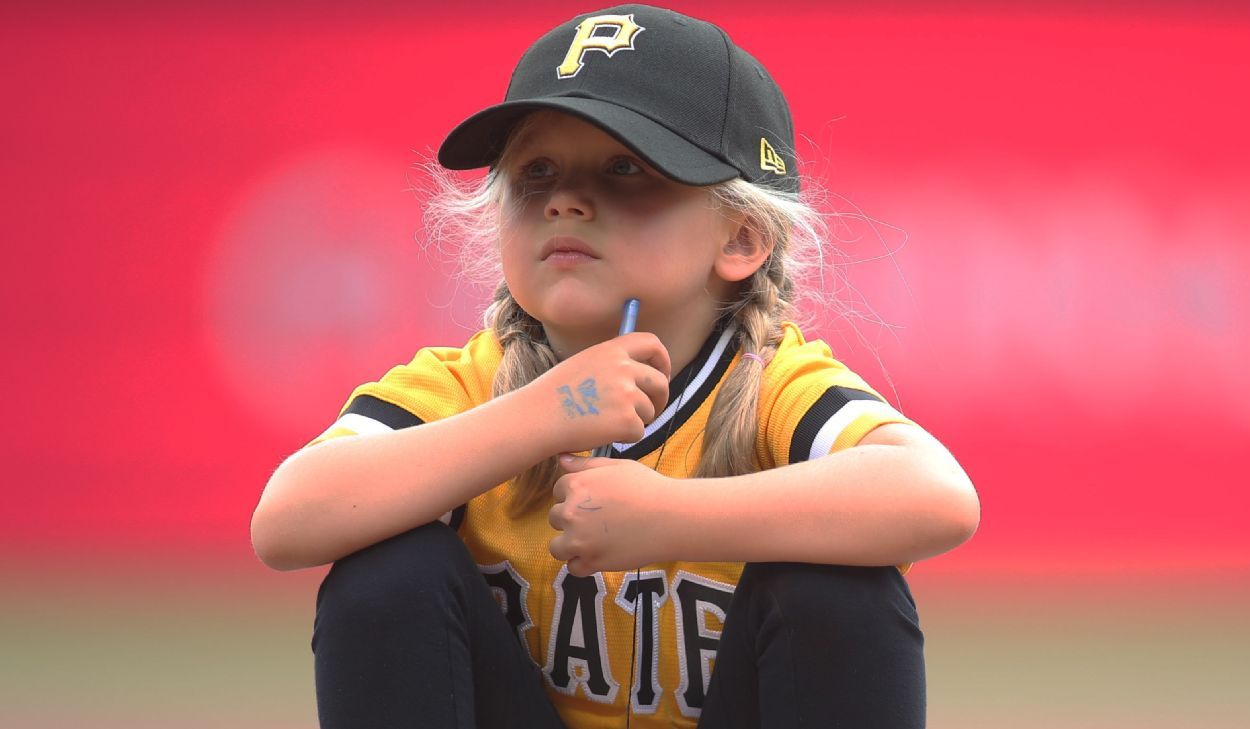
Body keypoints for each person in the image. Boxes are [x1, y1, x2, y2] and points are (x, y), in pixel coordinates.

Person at [251, 5, 979, 728]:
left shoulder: (768, 382)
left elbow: (937, 495)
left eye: (625, 167)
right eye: (535, 171)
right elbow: (287, 521)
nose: (565, 199)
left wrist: (672, 519)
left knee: (837, 585)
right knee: (385, 571)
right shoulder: (471, 384)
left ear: (744, 235)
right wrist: (546, 412)